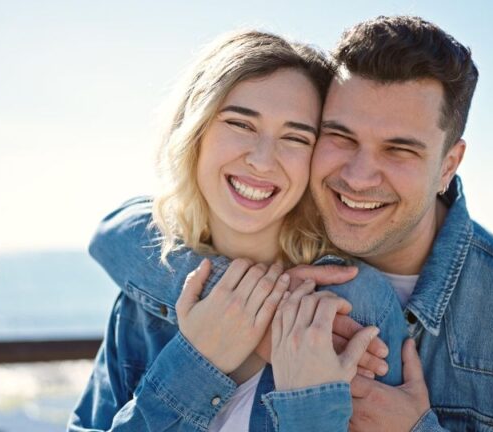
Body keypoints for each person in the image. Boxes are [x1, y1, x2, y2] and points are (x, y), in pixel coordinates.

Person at [81, 15, 493, 431]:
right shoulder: (159, 283)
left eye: (399, 150)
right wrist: (233, 325)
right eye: (339, 137)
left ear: (448, 165)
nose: (359, 177)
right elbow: (118, 232)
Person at [68, 29, 409, 432]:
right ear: (195, 130)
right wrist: (198, 363)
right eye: (241, 125)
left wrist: (308, 407)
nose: (263, 161)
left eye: (295, 137)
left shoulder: (352, 306)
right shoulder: (144, 300)